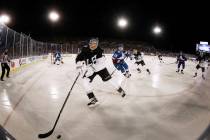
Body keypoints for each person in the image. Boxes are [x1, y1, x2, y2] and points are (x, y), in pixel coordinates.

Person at [76, 38, 126, 107]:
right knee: (85, 81)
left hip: (100, 68)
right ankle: (93, 99)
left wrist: (92, 68)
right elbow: (79, 58)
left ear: (97, 45)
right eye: (92, 43)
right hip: (90, 68)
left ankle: (120, 90)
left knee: (109, 80)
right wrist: (79, 66)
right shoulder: (85, 49)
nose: (93, 45)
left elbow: (101, 61)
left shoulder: (99, 51)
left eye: (95, 44)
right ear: (89, 43)